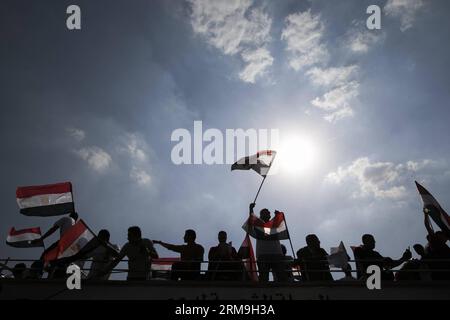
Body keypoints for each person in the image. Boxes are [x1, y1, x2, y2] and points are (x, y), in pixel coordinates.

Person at [249, 203, 286, 282]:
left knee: (281, 277)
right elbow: (252, 219)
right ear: (261, 215)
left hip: (277, 253)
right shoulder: (258, 224)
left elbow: (279, 227)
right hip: (262, 254)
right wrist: (251, 209)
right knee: (263, 278)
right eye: (265, 212)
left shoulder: (274, 224)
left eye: (268, 212)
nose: (267, 213)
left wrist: (278, 216)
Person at [423, 207, 450, 280]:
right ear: (439, 235)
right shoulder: (435, 240)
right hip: (439, 269)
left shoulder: (445, 246)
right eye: (444, 235)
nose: (446, 238)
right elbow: (427, 226)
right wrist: (426, 214)